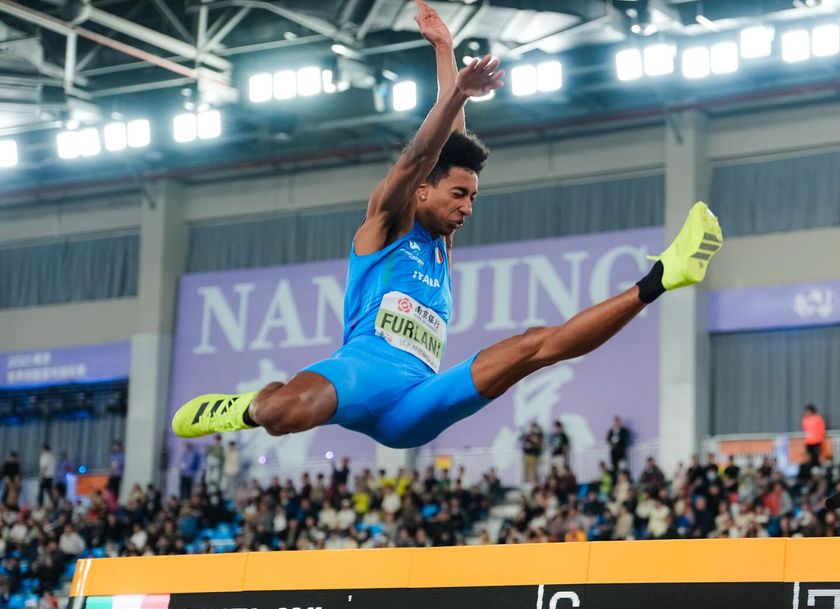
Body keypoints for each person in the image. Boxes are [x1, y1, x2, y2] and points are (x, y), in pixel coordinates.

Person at [170, 0, 723, 451]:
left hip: (417, 400)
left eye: (473, 197)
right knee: (279, 411)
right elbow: (420, 156)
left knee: (536, 346)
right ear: (423, 192)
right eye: (459, 194)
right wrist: (456, 87)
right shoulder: (385, 224)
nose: (468, 207)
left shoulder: (443, 241)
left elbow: (450, 146)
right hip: (358, 373)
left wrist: (444, 48)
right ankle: (240, 407)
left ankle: (662, 277)